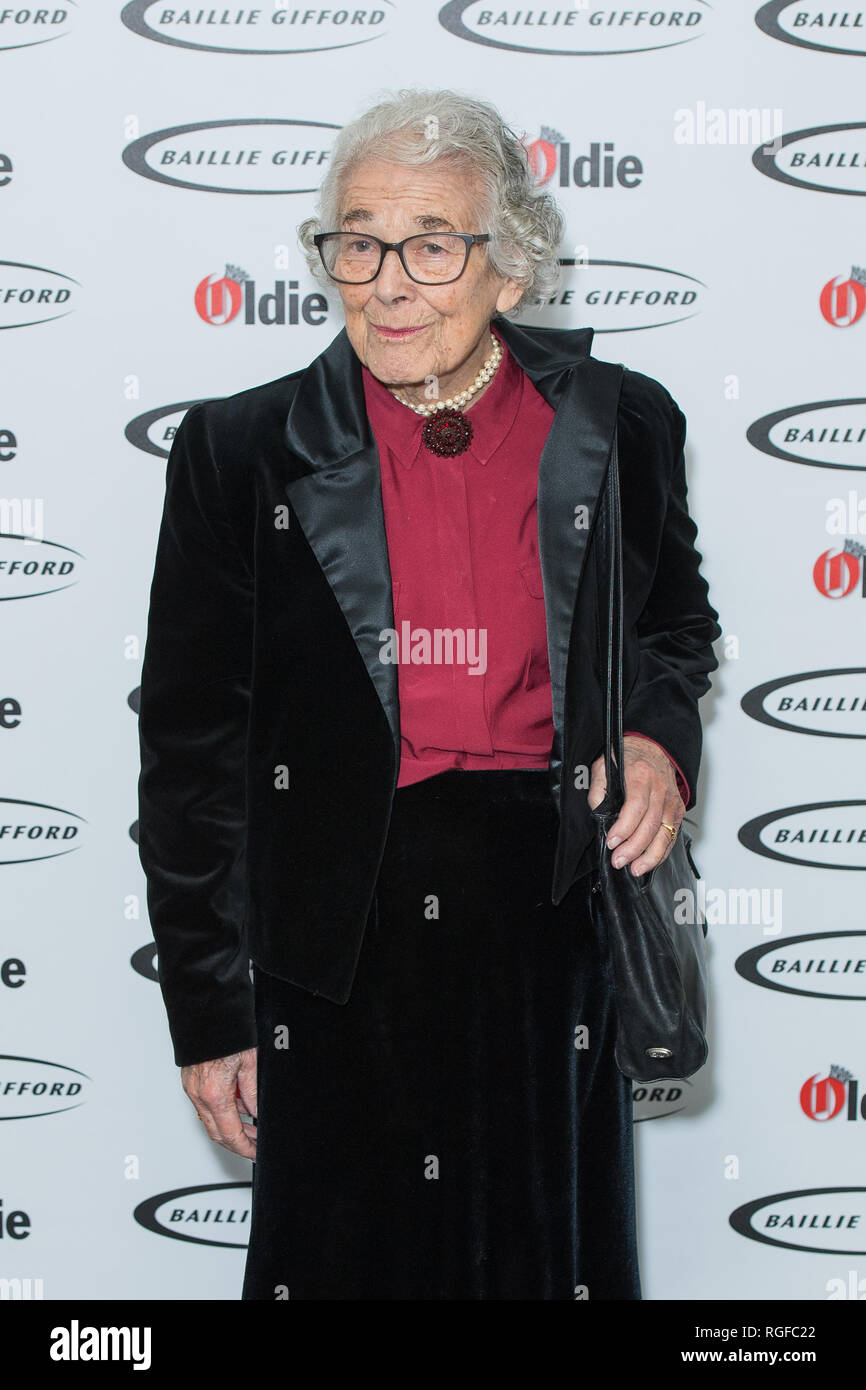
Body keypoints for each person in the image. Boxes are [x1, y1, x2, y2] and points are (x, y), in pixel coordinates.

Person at [137, 87, 721, 1301]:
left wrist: (656, 738)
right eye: (356, 241)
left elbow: (673, 624)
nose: (386, 281)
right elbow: (192, 751)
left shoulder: (618, 428)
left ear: (508, 270)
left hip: (546, 916)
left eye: (430, 243)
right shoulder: (241, 454)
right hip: (334, 933)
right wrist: (208, 1010)